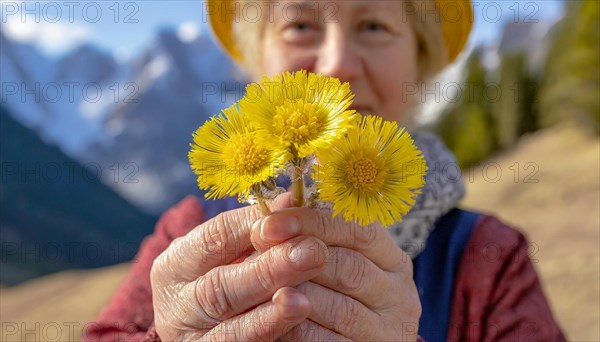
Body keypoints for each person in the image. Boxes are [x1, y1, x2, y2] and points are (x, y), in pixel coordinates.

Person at [83, 0, 566, 341]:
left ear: (421, 61)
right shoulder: (187, 232)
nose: (336, 65)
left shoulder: (492, 260)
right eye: (300, 25)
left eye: (374, 25)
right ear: (256, 61)